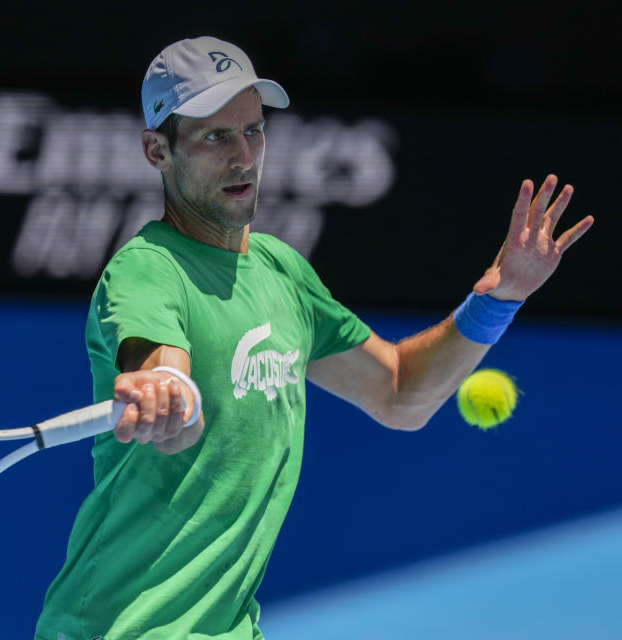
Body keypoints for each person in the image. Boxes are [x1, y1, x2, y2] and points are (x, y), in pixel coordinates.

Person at [35, 36, 594, 639]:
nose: (244, 157)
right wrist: (165, 388)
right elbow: (164, 371)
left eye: (253, 131)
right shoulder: (146, 268)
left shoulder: (282, 271)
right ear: (157, 151)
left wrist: (498, 299)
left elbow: (400, 393)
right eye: (215, 137)